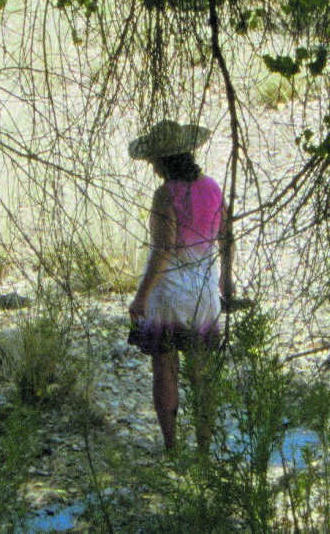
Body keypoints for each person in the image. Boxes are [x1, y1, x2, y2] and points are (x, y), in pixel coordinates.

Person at [127, 120, 234, 452]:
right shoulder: (213, 189)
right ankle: (204, 446)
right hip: (205, 295)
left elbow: (163, 251)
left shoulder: (165, 196)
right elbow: (226, 238)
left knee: (165, 369)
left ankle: (172, 445)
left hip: (171, 295)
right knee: (202, 373)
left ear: (161, 163)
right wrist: (226, 279)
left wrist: (140, 297)